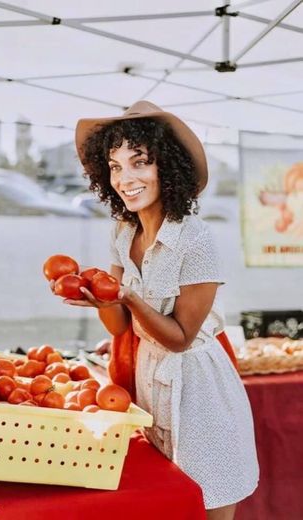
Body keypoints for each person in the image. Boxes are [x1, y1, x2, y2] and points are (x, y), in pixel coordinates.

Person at [66, 101, 259, 519]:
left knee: (210, 502)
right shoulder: (122, 231)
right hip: (151, 386)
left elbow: (180, 338)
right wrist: (101, 300)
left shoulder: (196, 239)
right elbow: (120, 324)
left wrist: (128, 296)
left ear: (167, 168)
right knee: (165, 504)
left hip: (200, 391)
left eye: (139, 162)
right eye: (115, 166)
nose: (125, 178)